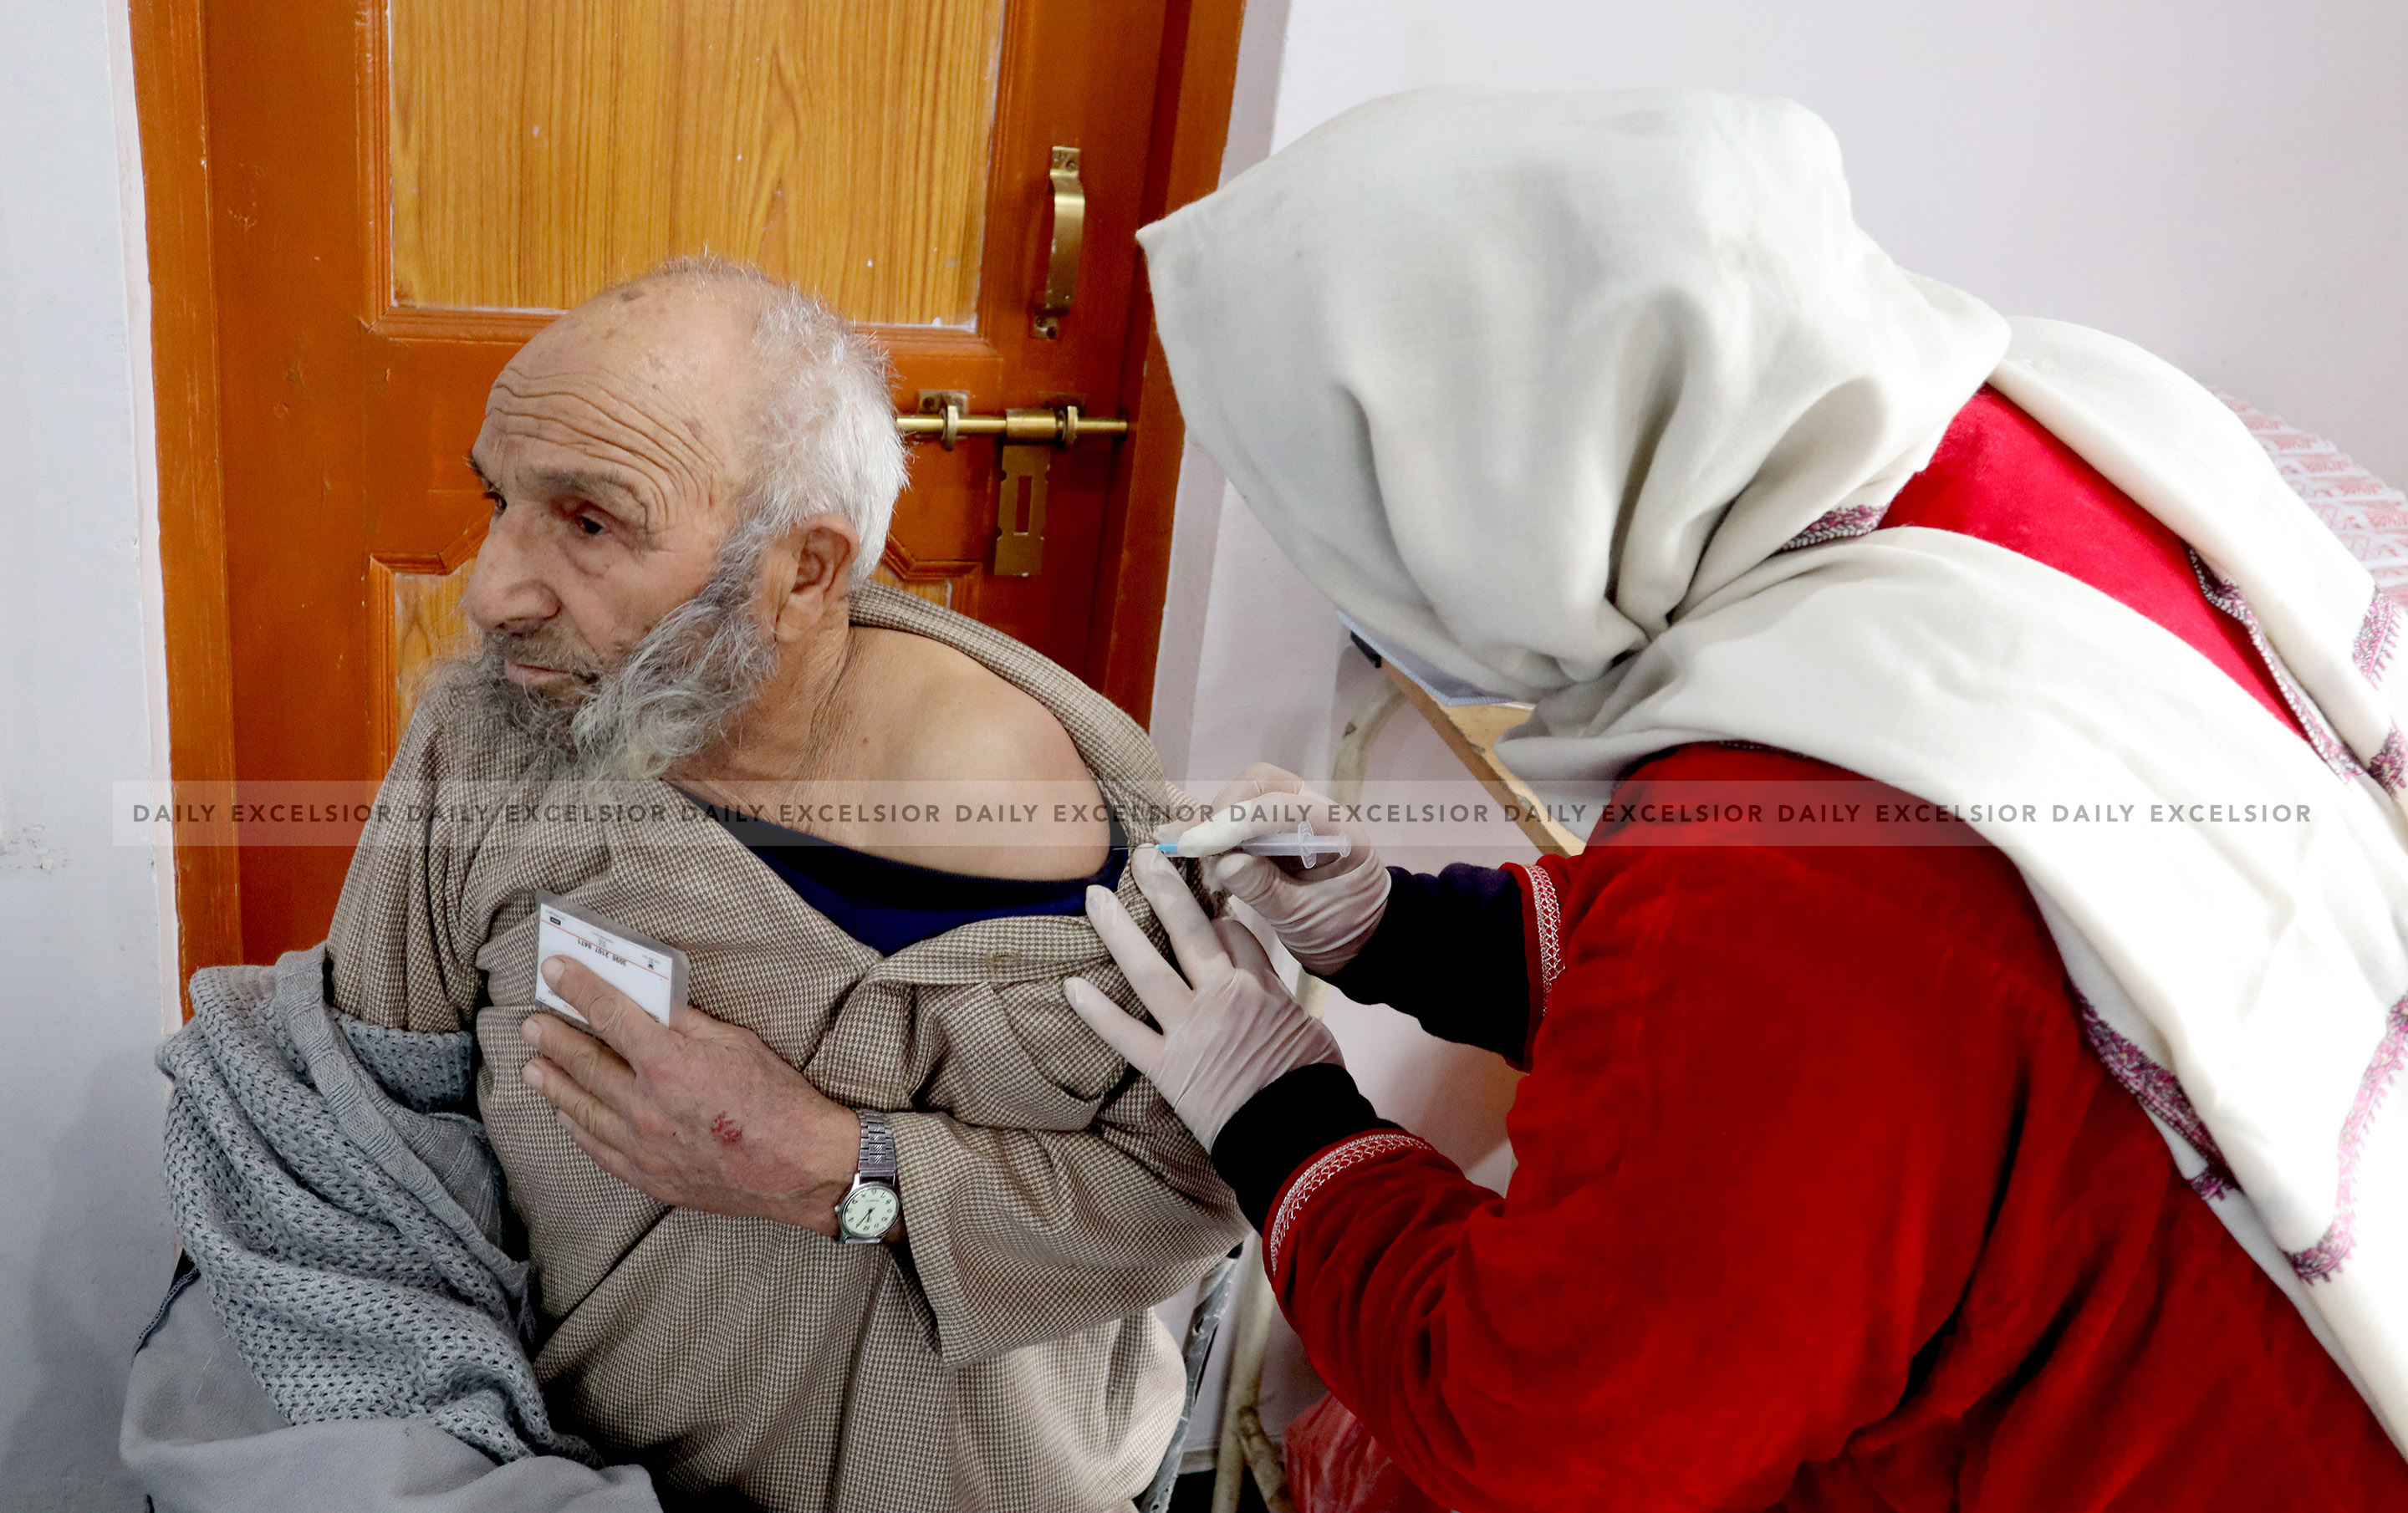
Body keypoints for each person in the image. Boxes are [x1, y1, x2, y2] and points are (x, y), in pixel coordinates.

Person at [1066, 89, 2408, 1510]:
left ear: (1489, 484)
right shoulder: (1996, 429)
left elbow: (1558, 1427)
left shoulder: (1791, 871)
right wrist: (1396, 930)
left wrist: (1280, 1118)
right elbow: (1804, 1033)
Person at [128, 257, 1244, 1512]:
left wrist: (841, 1168)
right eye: (500, 499)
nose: (491, 593)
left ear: (805, 572)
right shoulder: (493, 743)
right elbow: (358, 1128)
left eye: (592, 524)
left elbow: (1189, 1199)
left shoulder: (1070, 840)